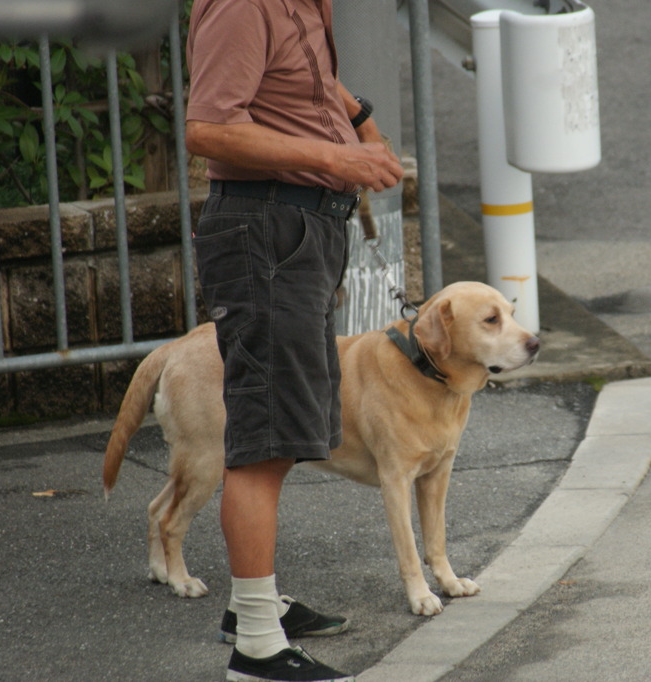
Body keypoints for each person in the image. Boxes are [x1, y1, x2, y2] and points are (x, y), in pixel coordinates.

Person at [185, 0, 403, 679]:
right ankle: (256, 647)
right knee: (266, 440)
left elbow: (297, 78)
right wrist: (335, 155)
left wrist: (357, 120)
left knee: (283, 430)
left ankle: (251, 606)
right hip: (267, 230)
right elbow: (208, 129)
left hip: (298, 229)